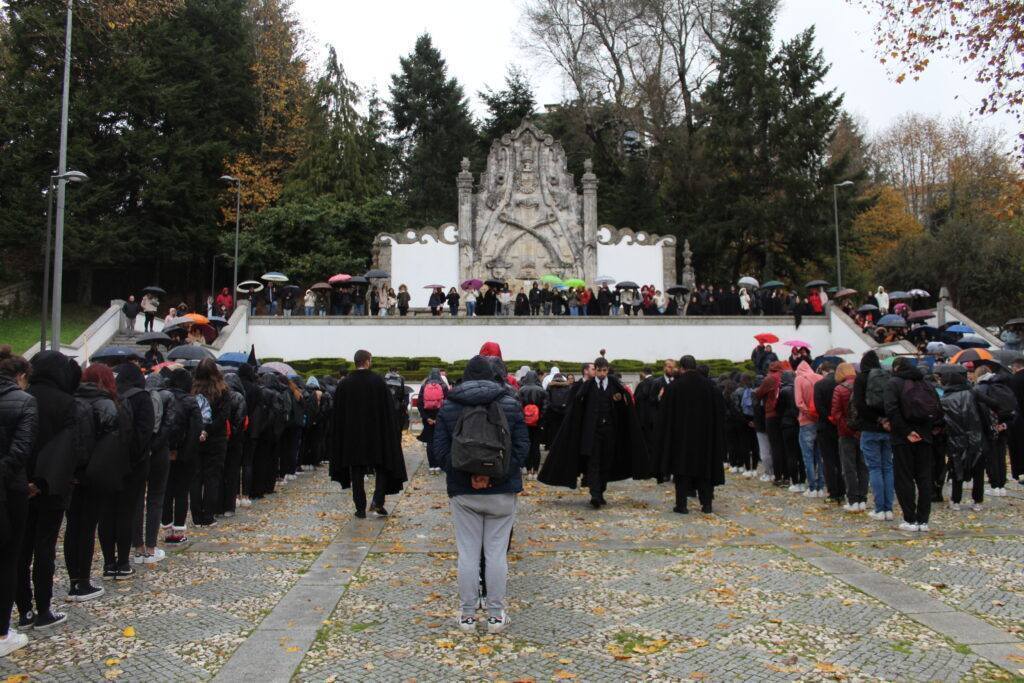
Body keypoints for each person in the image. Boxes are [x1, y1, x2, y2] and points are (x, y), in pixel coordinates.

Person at [432, 355, 528, 633]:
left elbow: (439, 451)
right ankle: (496, 615)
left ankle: (467, 615)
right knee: (496, 554)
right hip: (502, 491)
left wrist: (470, 476)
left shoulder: (451, 404)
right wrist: (494, 475)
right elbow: (522, 447)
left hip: (464, 492)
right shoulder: (510, 402)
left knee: (468, 554)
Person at [18, 351, 78, 631]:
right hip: (52, 485)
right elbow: (70, 447)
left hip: (20, 484)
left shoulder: (23, 397)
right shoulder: (66, 402)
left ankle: (24, 609)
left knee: (21, 548)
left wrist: (24, 480)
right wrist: (42, 482)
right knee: (45, 547)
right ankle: (44, 608)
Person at [538, 357, 648, 507]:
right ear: (595, 370)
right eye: (599, 370)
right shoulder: (588, 386)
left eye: (604, 370)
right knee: (593, 462)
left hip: (610, 432)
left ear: (607, 370)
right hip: (592, 432)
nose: (602, 373)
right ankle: (594, 494)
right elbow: (577, 405)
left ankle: (600, 491)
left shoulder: (614, 384)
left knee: (606, 462)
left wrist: (619, 401)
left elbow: (625, 403)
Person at [66, 363, 125, 603]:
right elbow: (113, 442)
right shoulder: (107, 405)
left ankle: (74, 579)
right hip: (96, 473)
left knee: (73, 526)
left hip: (72, 473)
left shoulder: (73, 401)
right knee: (87, 527)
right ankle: (83, 581)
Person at [330, 350, 407, 518]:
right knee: (381, 467)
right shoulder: (378, 381)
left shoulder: (344, 384)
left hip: (352, 436)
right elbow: (388, 411)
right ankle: (378, 501)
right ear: (366, 361)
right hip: (376, 434)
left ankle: (360, 508)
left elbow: (337, 415)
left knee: (356, 470)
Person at [99, 363, 154, 579]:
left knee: (106, 513)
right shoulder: (142, 398)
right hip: (133, 466)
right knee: (126, 512)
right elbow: (145, 433)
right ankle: (122, 562)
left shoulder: (108, 396)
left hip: (107, 463)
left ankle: (108, 563)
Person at [0, 347, 37, 656]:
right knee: (8, 555)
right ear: (21, 376)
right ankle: (2, 633)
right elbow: (22, 448)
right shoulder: (24, 401)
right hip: (11, 487)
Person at [657, 356, 726, 513]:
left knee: (681, 470)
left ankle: (681, 505)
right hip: (705, 437)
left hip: (681, 437)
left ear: (681, 368)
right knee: (704, 470)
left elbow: (665, 415)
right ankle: (706, 504)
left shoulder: (674, 387)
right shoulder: (710, 386)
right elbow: (720, 413)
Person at [884, 357, 942, 532]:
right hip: (925, 436)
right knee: (924, 478)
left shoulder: (894, 383)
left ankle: (909, 518)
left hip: (902, 438)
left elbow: (891, 410)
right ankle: (923, 520)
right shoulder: (926, 384)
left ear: (896, 368)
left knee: (904, 478)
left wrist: (906, 432)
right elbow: (937, 409)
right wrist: (929, 430)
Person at [132, 371, 172, 564]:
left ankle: (138, 548)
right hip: (159, 452)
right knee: (156, 498)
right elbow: (169, 425)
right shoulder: (167, 397)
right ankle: (150, 548)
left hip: (139, 452)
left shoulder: (136, 397)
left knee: (137, 498)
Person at [161, 368, 204, 544]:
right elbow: (196, 428)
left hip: (164, 451)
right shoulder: (190, 401)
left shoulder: (163, 397)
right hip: (185, 454)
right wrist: (186, 452)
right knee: (181, 492)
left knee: (166, 491)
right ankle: (178, 531)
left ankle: (167, 530)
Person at [853, 351, 895, 521]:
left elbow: (859, 404)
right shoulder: (887, 376)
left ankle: (879, 508)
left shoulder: (861, 378)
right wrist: (887, 420)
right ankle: (888, 508)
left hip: (870, 428)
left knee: (875, 468)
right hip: (888, 429)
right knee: (888, 467)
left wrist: (877, 420)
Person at [940, 365, 985, 511]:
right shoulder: (973, 393)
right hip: (976, 435)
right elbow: (985, 411)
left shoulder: (945, 399)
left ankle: (956, 500)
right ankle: (978, 500)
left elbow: (940, 419)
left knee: (956, 468)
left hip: (955, 437)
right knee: (978, 470)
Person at [190, 359, 228, 526]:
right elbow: (223, 416)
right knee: (212, 477)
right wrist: (209, 430)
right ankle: (208, 515)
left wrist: (199, 430)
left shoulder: (193, 390)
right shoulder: (222, 390)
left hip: (195, 437)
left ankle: (196, 516)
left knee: (195, 477)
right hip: (216, 438)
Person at [973, 363, 1017, 497]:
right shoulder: (1002, 386)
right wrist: (1004, 424)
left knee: (991, 457)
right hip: (1004, 425)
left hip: (988, 428)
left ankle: (994, 485)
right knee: (1001, 456)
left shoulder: (980, 388)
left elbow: (979, 410)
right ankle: (1002, 485)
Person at [830, 363, 867, 512]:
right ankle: (863, 499)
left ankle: (852, 500)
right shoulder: (862, 385)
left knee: (848, 467)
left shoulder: (839, 389)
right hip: (863, 431)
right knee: (863, 466)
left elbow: (835, 413)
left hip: (845, 433)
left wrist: (846, 427)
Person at [813, 362, 843, 504]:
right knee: (840, 459)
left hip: (824, 426)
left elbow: (818, 406)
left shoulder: (819, 385)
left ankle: (833, 492)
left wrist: (828, 417)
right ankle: (842, 490)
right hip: (840, 426)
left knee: (828, 461)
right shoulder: (840, 383)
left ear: (824, 371)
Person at [794, 361, 825, 497]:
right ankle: (820, 487)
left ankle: (812, 488)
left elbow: (799, 402)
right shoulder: (820, 377)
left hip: (806, 421)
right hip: (821, 421)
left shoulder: (799, 379)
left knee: (808, 456)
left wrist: (808, 413)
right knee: (820, 455)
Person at [634, 359, 677, 456]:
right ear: (664, 368)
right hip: (659, 420)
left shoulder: (677, 382)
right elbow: (651, 401)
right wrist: (659, 397)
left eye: (673, 367)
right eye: (669, 367)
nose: (671, 369)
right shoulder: (657, 382)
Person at [419, 369, 449, 474]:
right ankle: (439, 465)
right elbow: (447, 403)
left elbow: (420, 404)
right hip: (440, 418)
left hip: (428, 419)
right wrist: (439, 419)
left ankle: (432, 466)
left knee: (430, 442)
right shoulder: (443, 386)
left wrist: (426, 418)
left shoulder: (424, 386)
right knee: (440, 441)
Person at [517, 371, 547, 477]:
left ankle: (528, 470)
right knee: (536, 446)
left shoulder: (521, 390)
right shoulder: (541, 391)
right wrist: (540, 419)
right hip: (538, 423)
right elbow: (545, 408)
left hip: (525, 422)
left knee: (527, 445)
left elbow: (518, 406)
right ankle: (536, 471)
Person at [1008, 358, 1024, 485]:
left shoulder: (1014, 380)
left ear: (1015, 366)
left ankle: (1019, 472)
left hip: (1018, 418)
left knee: (1018, 446)